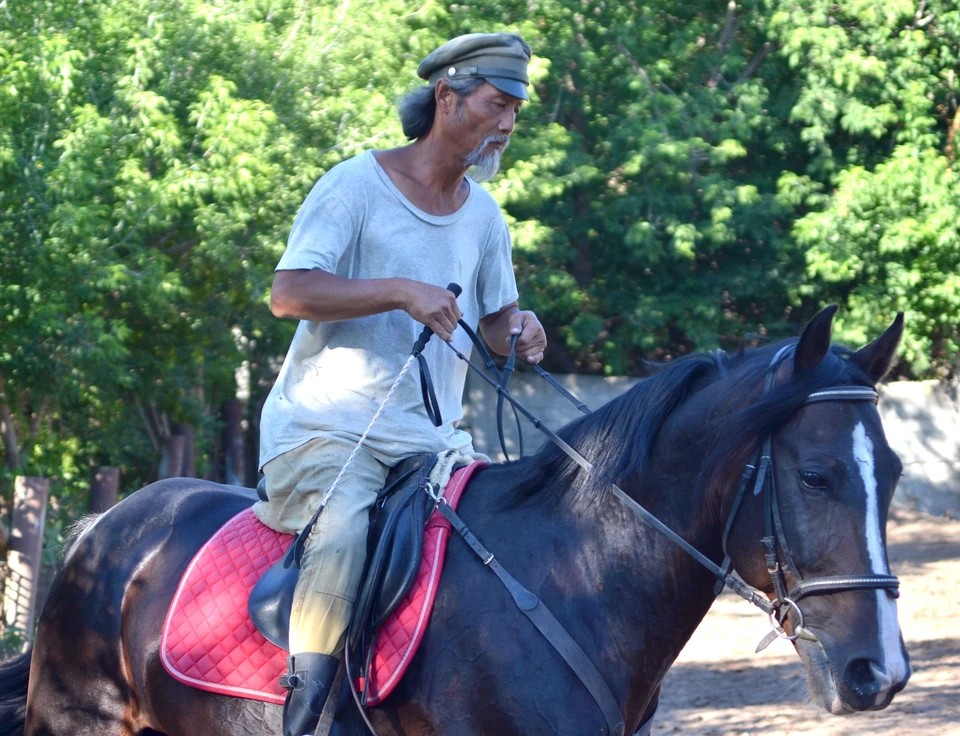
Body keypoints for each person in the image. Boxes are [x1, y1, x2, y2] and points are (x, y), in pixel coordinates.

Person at [254, 32, 548, 736]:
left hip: (433, 443)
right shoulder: (355, 186)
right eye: (496, 103)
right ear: (446, 97)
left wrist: (525, 329)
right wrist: (397, 291)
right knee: (344, 533)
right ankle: (308, 711)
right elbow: (288, 294)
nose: (508, 123)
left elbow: (494, 326)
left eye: (516, 110)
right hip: (324, 431)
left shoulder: (484, 217)